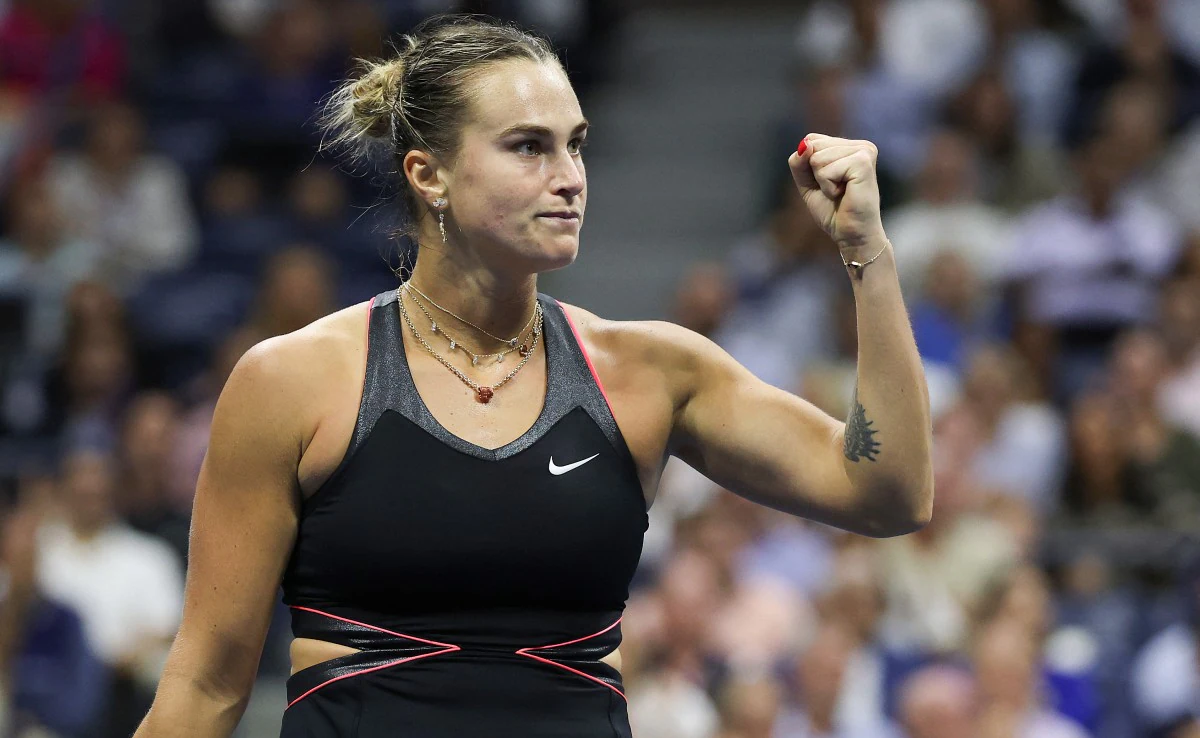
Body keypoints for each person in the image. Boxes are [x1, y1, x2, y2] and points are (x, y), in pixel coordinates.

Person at [134, 14, 933, 737]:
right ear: (429, 175)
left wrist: (869, 253)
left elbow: (888, 493)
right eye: (529, 146)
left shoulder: (652, 371)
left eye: (575, 144)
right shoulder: (291, 382)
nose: (570, 175)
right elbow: (204, 687)